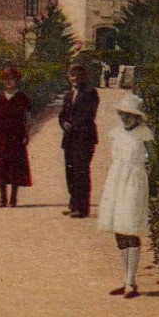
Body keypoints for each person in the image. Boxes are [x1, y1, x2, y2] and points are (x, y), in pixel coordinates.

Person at [97, 92, 154, 298]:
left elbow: (154, 161)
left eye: (130, 114)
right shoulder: (116, 133)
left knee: (130, 227)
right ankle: (126, 278)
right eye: (123, 114)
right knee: (118, 229)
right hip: (116, 180)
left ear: (138, 116)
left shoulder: (144, 133)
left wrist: (151, 181)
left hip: (134, 181)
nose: (125, 118)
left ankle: (131, 280)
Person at [0, 67, 32, 207]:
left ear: (16, 81)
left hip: (17, 134)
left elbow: (28, 118)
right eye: (5, 79)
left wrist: (26, 134)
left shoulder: (22, 97)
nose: (8, 82)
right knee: (1, 165)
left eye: (11, 79)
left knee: (16, 166)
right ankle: (2, 198)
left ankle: (13, 198)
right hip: (1, 135)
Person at [58, 62, 99, 218]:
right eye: (72, 75)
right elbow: (62, 115)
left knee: (80, 172)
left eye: (78, 75)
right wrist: (64, 124)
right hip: (69, 139)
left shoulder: (90, 93)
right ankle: (73, 204)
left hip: (84, 138)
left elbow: (88, 115)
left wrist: (71, 125)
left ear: (84, 77)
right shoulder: (69, 95)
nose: (75, 78)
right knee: (70, 172)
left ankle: (83, 208)